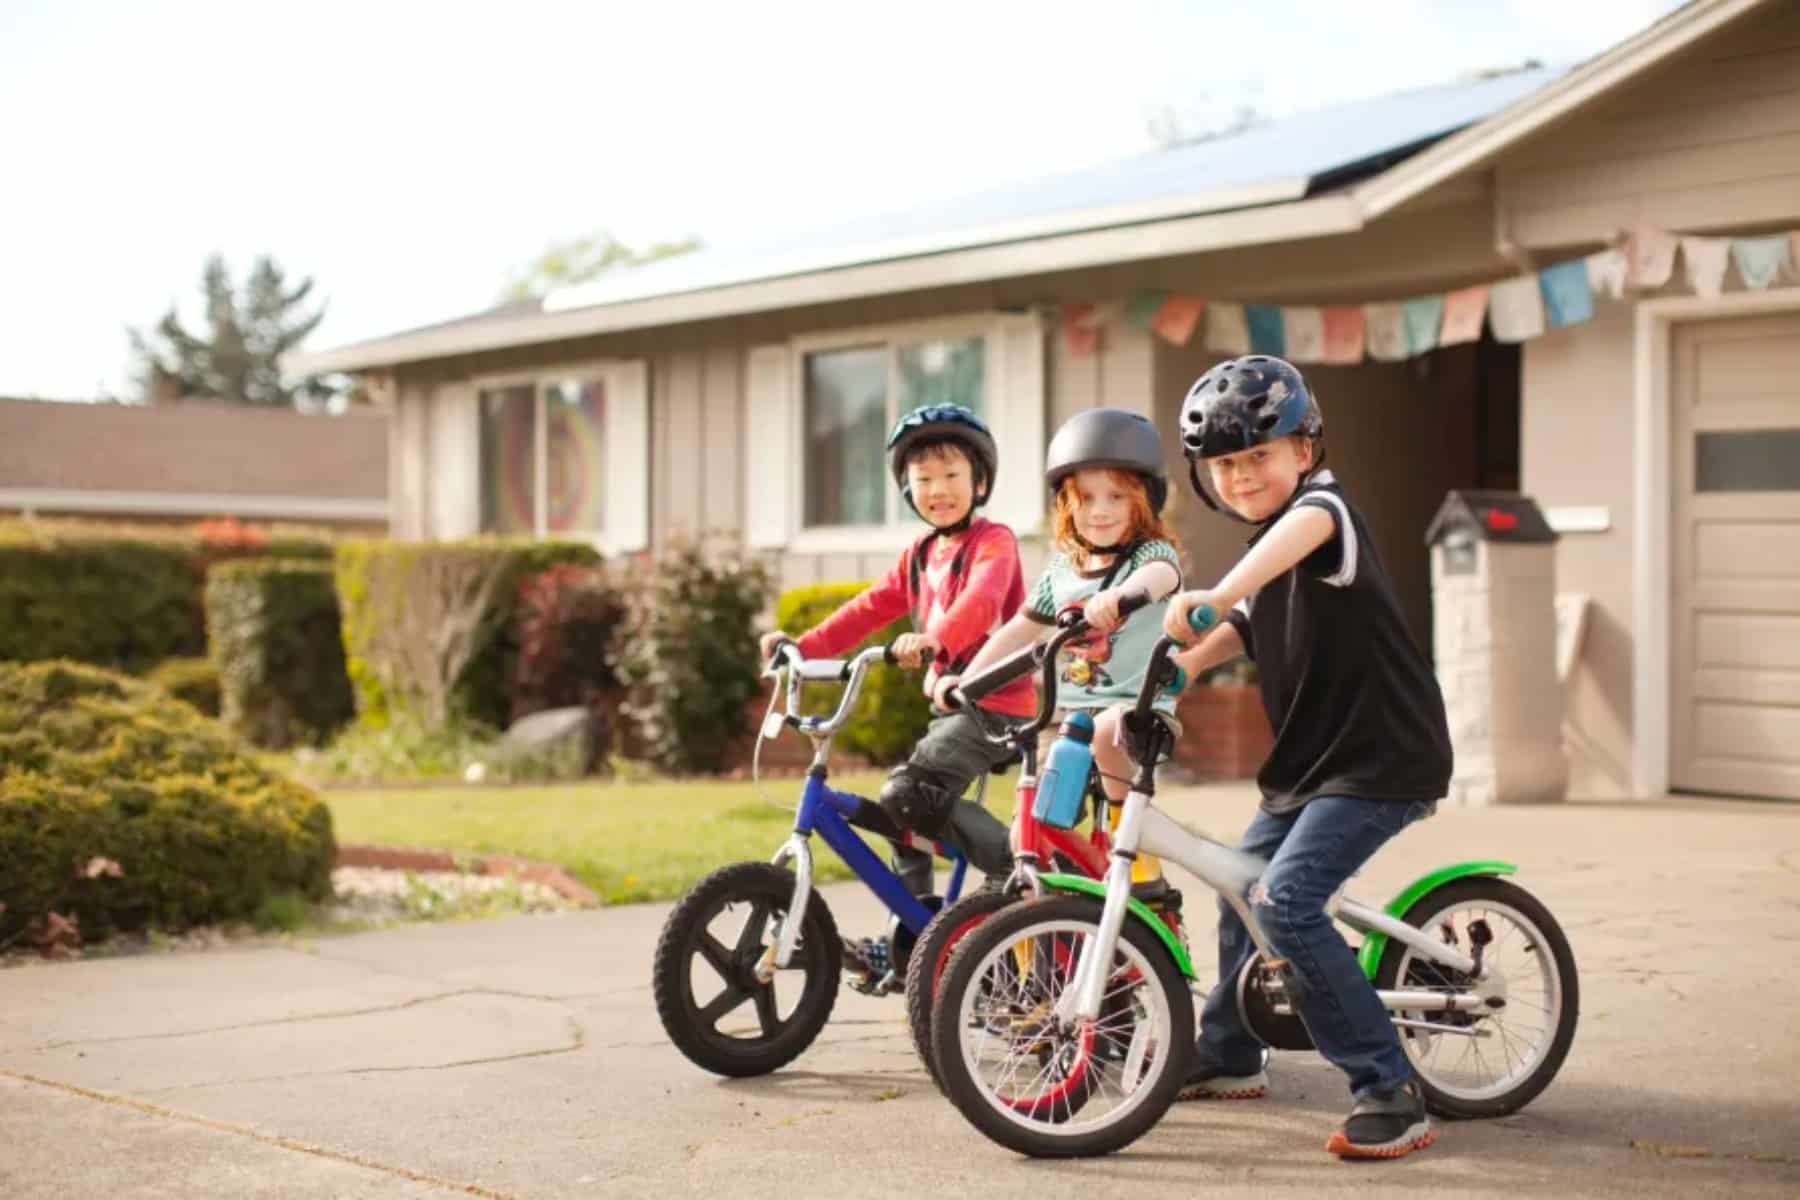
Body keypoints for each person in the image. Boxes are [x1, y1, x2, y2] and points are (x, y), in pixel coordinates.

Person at [1161, 355, 1453, 1161]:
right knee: (1234, 883)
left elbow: (1282, 551)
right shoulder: (1272, 550)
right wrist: (1179, 669)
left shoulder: (1325, 515)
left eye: (1261, 454)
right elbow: (1248, 620)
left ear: (1306, 448)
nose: (1244, 475)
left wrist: (1213, 592)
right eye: (1225, 465)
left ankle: (1388, 1087)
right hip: (1309, 766)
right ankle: (1229, 1049)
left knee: (1285, 900)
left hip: (1380, 760)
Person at [759, 404, 1031, 984]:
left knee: (907, 794)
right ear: (907, 489)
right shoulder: (918, 556)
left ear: (979, 482)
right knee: (898, 813)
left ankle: (1018, 865)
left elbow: (981, 600)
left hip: (999, 707)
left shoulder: (994, 542)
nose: (939, 490)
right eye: (924, 479)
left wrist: (935, 639)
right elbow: (866, 610)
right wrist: (801, 648)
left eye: (953, 476)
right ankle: (914, 935)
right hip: (954, 710)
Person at [948, 408, 1183, 895]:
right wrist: (966, 680)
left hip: (1138, 713)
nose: (1100, 510)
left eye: (1116, 496)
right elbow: (1017, 629)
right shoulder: (1062, 572)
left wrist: (1118, 598)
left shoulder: (1150, 557)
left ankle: (1139, 863)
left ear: (1146, 500)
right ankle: (1047, 916)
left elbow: (1163, 579)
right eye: (1086, 498)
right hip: (1069, 719)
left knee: (1103, 734)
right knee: (1030, 820)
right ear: (1066, 505)